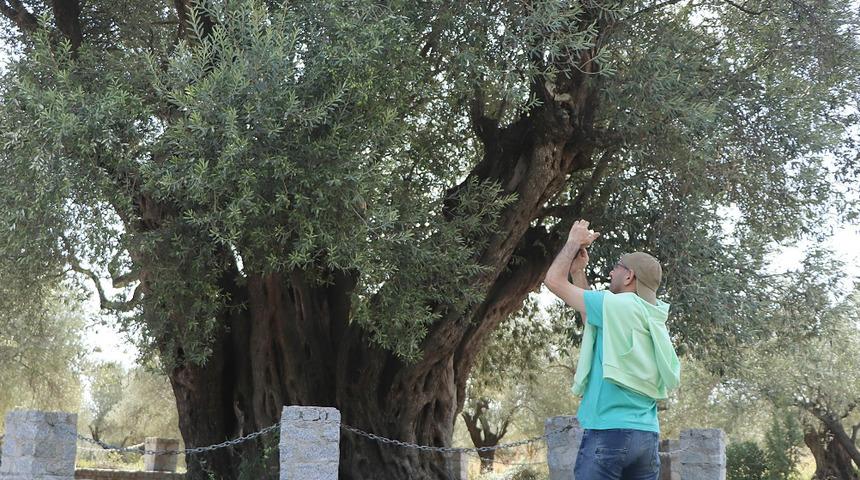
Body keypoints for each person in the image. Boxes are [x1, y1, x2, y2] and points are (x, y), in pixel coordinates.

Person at [544, 219, 681, 480]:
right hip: (646, 437)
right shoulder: (652, 315)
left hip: (608, 434)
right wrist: (578, 272)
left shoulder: (616, 304)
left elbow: (552, 281)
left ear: (629, 276)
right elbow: (591, 319)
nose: (610, 273)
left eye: (617, 267)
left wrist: (573, 241)